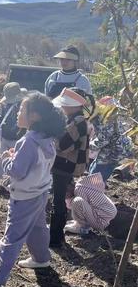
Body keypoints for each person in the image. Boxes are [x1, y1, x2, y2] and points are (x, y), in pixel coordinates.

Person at [0, 93, 66, 287]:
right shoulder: (46, 137)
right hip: (40, 191)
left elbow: (17, 172)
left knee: (12, 236)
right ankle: (41, 258)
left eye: (22, 110)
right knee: (38, 227)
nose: (18, 113)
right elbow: (34, 163)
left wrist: (5, 160)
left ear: (35, 116)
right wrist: (17, 159)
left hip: (25, 195)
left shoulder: (29, 140)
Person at [49, 87, 94, 248]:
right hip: (67, 165)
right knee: (60, 198)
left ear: (75, 106)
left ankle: (55, 238)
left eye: (65, 105)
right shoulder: (77, 121)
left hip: (64, 165)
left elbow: (63, 144)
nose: (63, 107)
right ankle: (57, 234)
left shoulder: (78, 123)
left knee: (58, 200)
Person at [89, 96, 134, 183]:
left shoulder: (109, 122)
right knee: (94, 168)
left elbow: (103, 140)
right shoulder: (115, 118)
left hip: (110, 154)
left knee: (96, 176)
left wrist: (87, 146)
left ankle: (94, 192)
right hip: (113, 152)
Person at [0, 82, 26, 187]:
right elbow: (1, 116)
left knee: (16, 159)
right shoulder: (4, 105)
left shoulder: (23, 106)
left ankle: (12, 181)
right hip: (5, 136)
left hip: (18, 138)